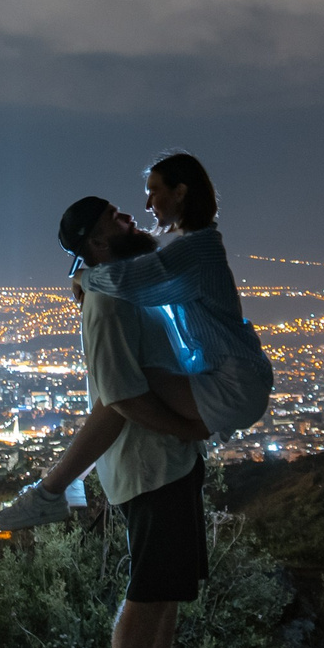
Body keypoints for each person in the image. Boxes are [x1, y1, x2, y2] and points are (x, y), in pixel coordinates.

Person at [0, 196, 218, 648]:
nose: (130, 220)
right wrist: (185, 426)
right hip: (147, 468)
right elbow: (118, 400)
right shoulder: (109, 302)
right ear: (96, 243)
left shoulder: (129, 286)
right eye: (116, 220)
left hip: (172, 461)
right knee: (146, 594)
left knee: (168, 587)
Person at [80, 152, 273, 438]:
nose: (148, 205)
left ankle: (56, 482)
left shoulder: (194, 250)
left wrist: (83, 276)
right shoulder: (201, 245)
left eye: (154, 192)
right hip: (243, 377)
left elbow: (126, 280)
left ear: (180, 192)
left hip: (234, 384)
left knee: (129, 380)